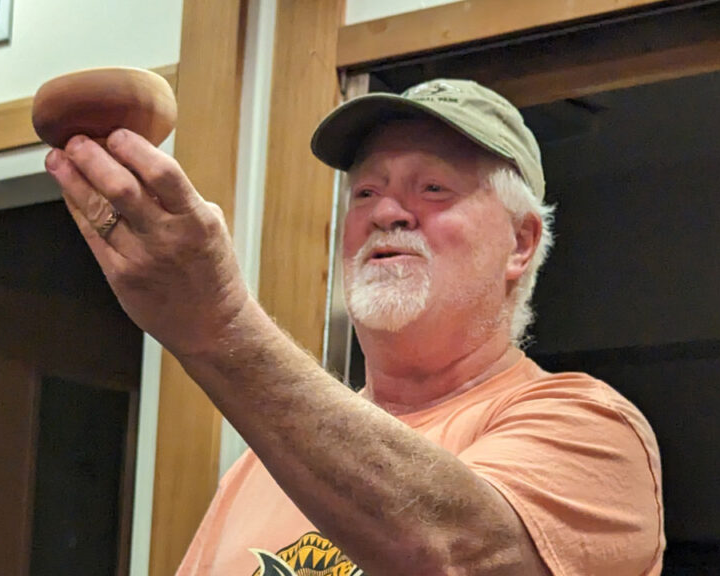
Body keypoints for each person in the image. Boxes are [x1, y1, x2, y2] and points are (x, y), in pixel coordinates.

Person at [44, 78, 665, 576]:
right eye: (365, 192)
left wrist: (221, 325)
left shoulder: (590, 430)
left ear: (521, 244)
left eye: (432, 187)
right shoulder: (264, 466)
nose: (388, 213)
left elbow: (451, 555)